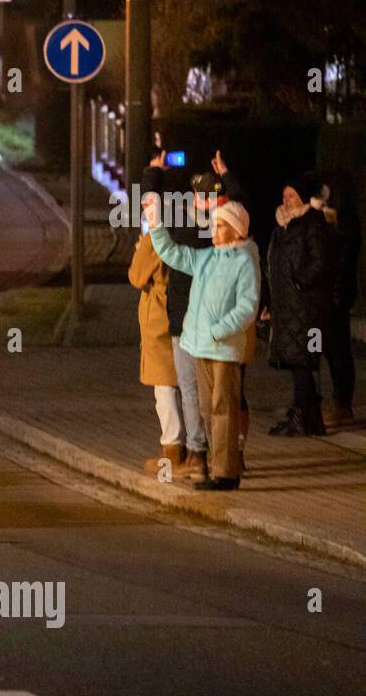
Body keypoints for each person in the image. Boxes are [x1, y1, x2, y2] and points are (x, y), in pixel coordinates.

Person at [150, 199, 260, 491]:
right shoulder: (208, 257)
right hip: (199, 347)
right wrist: (156, 225)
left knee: (224, 409)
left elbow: (247, 306)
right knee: (208, 409)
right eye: (214, 224)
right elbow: (173, 254)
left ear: (237, 230)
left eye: (221, 225)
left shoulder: (245, 261)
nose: (213, 230)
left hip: (222, 349)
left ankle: (226, 473)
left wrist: (217, 331)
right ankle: (219, 466)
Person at [266, 173, 334, 437]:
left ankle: (300, 417)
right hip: (288, 307)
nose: (287, 200)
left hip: (309, 309)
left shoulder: (312, 223)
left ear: (303, 198)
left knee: (306, 361)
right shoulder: (283, 224)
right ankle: (311, 418)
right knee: (299, 363)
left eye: (292, 195)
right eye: (284, 195)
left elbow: (320, 262)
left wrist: (299, 282)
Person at [130, 159, 185, 474]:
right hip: (181, 310)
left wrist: (141, 249)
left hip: (159, 312)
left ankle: (172, 447)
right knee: (185, 382)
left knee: (163, 387)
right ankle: (188, 447)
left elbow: (137, 276)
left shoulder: (156, 234)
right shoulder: (188, 224)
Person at [317, 180, 359, 427]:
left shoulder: (345, 221)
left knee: (338, 349)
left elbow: (341, 260)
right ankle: (335, 399)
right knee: (326, 348)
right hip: (330, 294)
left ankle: (343, 403)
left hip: (337, 296)